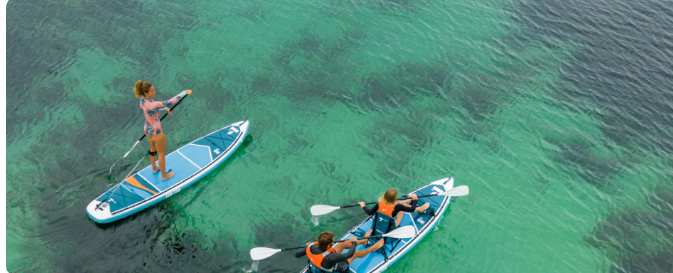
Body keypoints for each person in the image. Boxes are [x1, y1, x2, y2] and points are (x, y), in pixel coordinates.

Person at [134, 80, 192, 180]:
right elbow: (170, 102)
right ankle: (164, 176)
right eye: (152, 91)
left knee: (153, 149)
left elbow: (152, 109)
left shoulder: (142, 100)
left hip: (147, 129)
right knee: (161, 154)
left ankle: (154, 168)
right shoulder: (153, 104)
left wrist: (164, 109)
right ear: (145, 93)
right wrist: (184, 92)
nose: (154, 92)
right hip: (156, 131)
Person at [296, 231, 383, 272]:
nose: (334, 242)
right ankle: (372, 248)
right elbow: (349, 254)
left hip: (321, 264)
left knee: (342, 243)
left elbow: (297, 255)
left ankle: (364, 241)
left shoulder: (311, 246)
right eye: (332, 241)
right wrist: (354, 242)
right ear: (328, 245)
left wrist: (306, 246)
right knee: (355, 253)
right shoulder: (330, 257)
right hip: (337, 269)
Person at [359, 188, 430, 227]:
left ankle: (407, 200)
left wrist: (363, 205)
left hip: (380, 222)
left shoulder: (380, 201)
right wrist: (415, 200)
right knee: (404, 207)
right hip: (391, 225)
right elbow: (412, 209)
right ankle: (420, 209)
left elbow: (370, 213)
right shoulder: (397, 207)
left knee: (398, 203)